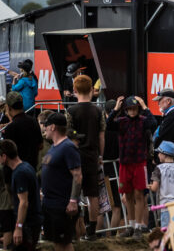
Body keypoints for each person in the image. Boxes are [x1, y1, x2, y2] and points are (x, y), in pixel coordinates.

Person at [107, 95, 155, 236]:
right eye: (130, 109)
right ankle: (131, 226)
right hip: (125, 163)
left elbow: (153, 123)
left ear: (138, 109)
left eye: (135, 108)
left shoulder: (143, 121)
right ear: (126, 110)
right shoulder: (122, 121)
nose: (133, 111)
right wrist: (115, 109)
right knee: (127, 195)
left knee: (139, 195)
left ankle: (139, 227)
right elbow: (108, 124)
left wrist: (144, 106)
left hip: (139, 163)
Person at [65, 74, 105, 240]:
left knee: (72, 193)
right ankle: (92, 231)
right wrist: (100, 155)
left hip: (75, 155)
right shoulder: (98, 110)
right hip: (92, 156)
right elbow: (101, 136)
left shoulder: (70, 111)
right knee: (92, 194)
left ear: (74, 90)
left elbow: (67, 135)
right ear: (90, 89)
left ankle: (71, 230)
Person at [40, 112, 82, 251]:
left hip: (62, 204)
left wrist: (73, 201)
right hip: (50, 203)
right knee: (57, 242)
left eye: (46, 126)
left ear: (53, 127)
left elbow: (77, 175)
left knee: (64, 243)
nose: (44, 128)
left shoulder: (68, 147)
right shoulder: (54, 147)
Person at [0, 139, 41, 251]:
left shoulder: (20, 173)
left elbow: (23, 202)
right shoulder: (26, 166)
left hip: (28, 223)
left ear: (4, 156)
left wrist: (19, 227)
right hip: (32, 221)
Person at [150, 141, 174, 228]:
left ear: (164, 155)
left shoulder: (158, 168)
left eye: (159, 153)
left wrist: (150, 187)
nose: (158, 155)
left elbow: (155, 188)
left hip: (167, 206)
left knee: (168, 231)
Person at [2, 91, 42, 170]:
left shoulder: (11, 127)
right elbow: (41, 145)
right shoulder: (33, 121)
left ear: (8, 107)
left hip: (16, 171)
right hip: (32, 168)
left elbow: (7, 155)